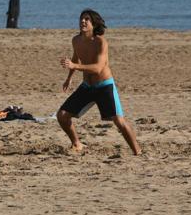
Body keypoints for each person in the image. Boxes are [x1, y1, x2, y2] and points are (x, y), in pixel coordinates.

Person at [58, 9, 141, 155]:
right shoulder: (76, 40)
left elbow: (97, 68)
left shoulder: (100, 42)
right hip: (87, 87)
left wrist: (74, 66)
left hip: (104, 86)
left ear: (94, 24)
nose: (83, 21)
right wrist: (69, 78)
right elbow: (75, 58)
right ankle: (77, 144)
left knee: (119, 121)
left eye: (87, 19)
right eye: (81, 19)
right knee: (62, 115)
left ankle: (137, 151)